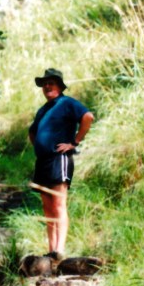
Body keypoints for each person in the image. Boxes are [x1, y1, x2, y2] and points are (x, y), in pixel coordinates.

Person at [28, 68, 94, 257]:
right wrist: (40, 146)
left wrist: (74, 142)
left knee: (58, 203)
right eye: (45, 84)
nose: (47, 86)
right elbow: (32, 132)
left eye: (51, 83)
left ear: (59, 85)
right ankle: (51, 250)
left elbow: (88, 117)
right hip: (43, 161)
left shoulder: (66, 103)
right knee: (47, 206)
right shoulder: (43, 109)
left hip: (59, 158)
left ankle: (60, 249)